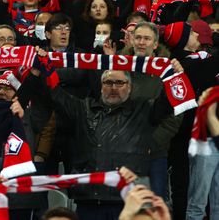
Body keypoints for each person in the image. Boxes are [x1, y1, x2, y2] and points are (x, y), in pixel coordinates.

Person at [29, 48, 183, 220]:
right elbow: (55, 93)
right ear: (101, 86)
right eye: (108, 82)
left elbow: (170, 101)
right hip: (89, 200)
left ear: (130, 87)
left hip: (130, 201)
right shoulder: (82, 109)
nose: (113, 88)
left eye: (119, 83)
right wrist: (40, 67)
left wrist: (175, 76)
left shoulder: (145, 109)